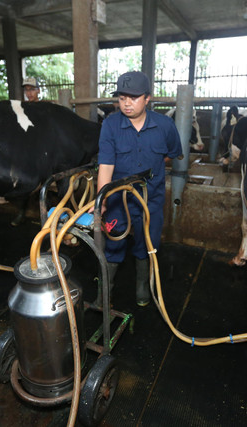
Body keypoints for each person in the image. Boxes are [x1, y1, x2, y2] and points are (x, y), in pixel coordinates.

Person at [96, 71, 182, 306]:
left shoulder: (165, 125)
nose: (126, 103)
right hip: (116, 199)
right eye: (122, 97)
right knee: (113, 240)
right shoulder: (111, 124)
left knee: (147, 242)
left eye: (133, 97)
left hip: (150, 199)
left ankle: (142, 285)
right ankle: (106, 290)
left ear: (147, 98)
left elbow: (173, 154)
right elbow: (105, 166)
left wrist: (152, 165)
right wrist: (101, 202)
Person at [10, 76, 41, 226]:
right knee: (22, 180)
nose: (29, 93)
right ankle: (21, 212)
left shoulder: (44, 109)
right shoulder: (21, 108)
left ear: (38, 91)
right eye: (26, 90)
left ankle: (46, 215)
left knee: (46, 183)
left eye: (32, 90)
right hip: (26, 150)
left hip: (42, 150)